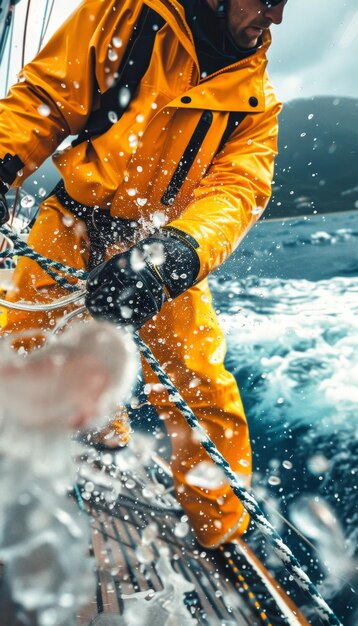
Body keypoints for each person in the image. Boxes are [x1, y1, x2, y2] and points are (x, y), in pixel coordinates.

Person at [0, 0, 285, 549]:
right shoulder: (123, 15)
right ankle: (76, 450)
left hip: (161, 242)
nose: (275, 18)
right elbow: (46, 98)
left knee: (202, 391)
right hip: (71, 222)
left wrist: (174, 254)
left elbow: (237, 189)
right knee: (18, 352)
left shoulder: (259, 102)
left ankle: (223, 534)